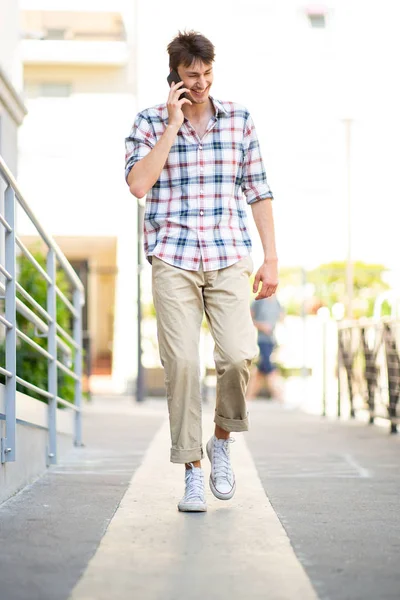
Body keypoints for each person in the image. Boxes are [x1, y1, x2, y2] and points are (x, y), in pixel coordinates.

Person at [125, 31, 278, 512]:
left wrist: (271, 257)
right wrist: (172, 125)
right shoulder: (149, 122)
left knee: (237, 355)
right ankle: (191, 469)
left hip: (230, 252)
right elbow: (138, 184)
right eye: (192, 75)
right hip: (172, 255)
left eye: (208, 73)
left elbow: (259, 191)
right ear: (175, 76)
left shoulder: (239, 120)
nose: (202, 82)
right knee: (183, 365)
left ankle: (220, 441)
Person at [246, 295, 285, 402]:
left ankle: (248, 398)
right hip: (262, 340)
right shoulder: (258, 301)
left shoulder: (277, 302)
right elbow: (248, 317)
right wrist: (261, 326)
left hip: (272, 340)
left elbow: (281, 318)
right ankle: (280, 396)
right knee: (269, 368)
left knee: (260, 370)